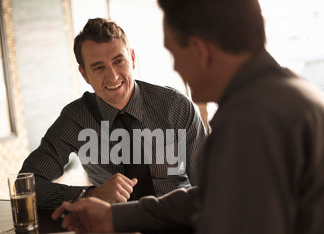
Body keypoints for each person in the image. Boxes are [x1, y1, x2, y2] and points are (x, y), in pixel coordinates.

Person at [52, 0, 324, 234]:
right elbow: (217, 195)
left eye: (174, 53)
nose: (175, 66)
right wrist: (116, 217)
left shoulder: (249, 119)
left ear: (200, 50)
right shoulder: (288, 93)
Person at [20, 18, 206, 212]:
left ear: (132, 58)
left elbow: (211, 185)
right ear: (84, 75)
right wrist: (91, 195)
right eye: (98, 67)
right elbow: (27, 185)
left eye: (119, 61)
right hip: (111, 230)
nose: (113, 76)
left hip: (178, 225)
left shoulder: (176, 106)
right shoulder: (76, 119)